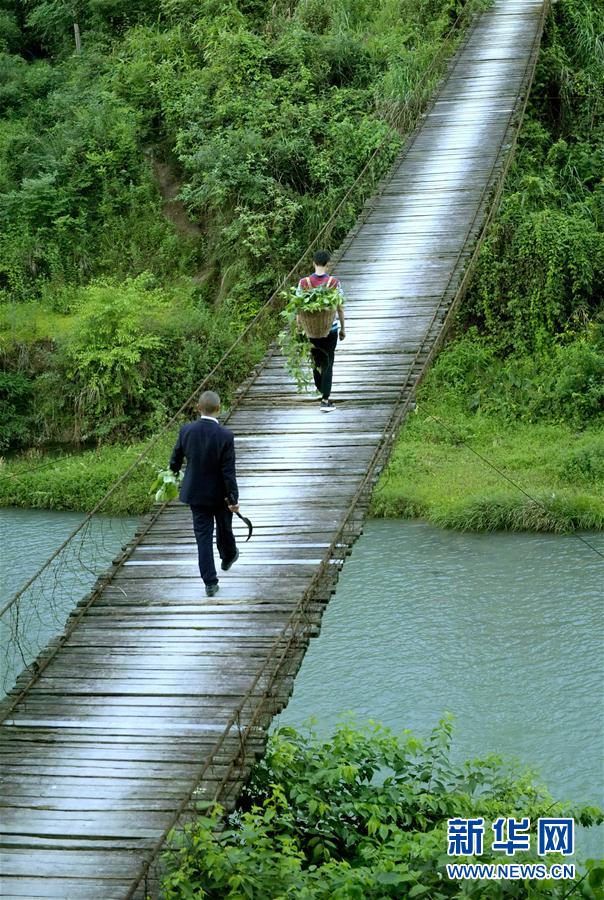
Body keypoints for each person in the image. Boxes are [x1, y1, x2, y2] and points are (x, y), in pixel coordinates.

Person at [169, 390, 239, 597]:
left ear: (198, 408)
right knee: (224, 528)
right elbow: (228, 471)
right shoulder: (226, 436)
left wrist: (172, 473)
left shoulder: (186, 430)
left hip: (196, 494)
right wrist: (233, 499)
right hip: (220, 495)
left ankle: (210, 583)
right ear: (219, 409)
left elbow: (176, 457)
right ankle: (228, 556)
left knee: (203, 538)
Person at [297, 249, 346, 412]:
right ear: (328, 264)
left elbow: (299, 310)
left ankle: (320, 388)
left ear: (313, 263)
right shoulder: (334, 283)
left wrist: (299, 330)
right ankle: (325, 400)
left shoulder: (303, 283)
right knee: (328, 363)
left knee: (316, 362)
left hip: (311, 331)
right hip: (330, 330)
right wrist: (343, 329)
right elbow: (340, 308)